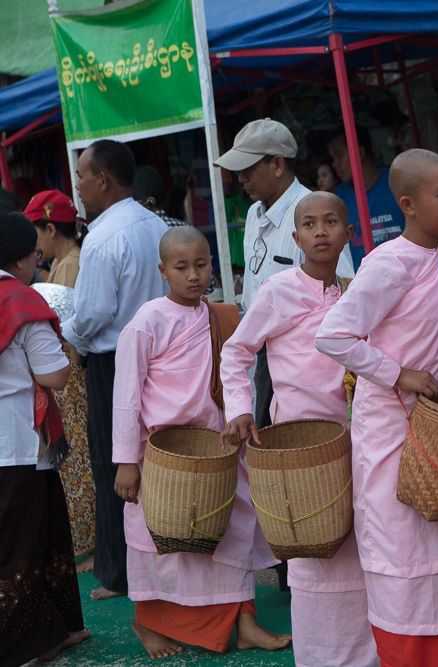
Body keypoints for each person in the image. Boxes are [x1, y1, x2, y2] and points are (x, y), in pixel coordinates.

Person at [315, 149, 438, 667]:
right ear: (406, 204)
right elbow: (333, 334)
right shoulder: (389, 262)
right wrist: (398, 374)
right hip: (393, 429)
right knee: (402, 553)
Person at [112, 226, 289, 659]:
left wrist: (238, 419)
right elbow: (125, 397)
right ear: (162, 271)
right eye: (181, 267)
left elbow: (236, 377)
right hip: (163, 452)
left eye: (202, 264)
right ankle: (148, 622)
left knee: (235, 530)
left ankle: (244, 621)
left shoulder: (220, 316)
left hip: (217, 447)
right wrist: (125, 461)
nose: (194, 275)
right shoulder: (147, 322)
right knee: (160, 541)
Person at [220, 191, 378, 667]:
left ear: (349, 234)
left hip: (355, 437)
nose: (321, 231)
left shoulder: (356, 290)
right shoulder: (277, 290)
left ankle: (371, 655)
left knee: (360, 543)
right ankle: (320, 657)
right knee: (313, 554)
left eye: (332, 222)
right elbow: (236, 351)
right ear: (296, 237)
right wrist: (240, 407)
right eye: (309, 224)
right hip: (299, 444)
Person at [62, 139, 169, 601]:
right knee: (153, 458)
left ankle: (119, 573)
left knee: (116, 462)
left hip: (114, 359)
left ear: (102, 179)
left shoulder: (105, 235)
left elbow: (91, 315)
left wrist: (70, 336)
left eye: (82, 177)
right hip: (162, 353)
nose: (78, 188)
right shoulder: (153, 223)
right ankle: (157, 563)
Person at [215, 119, 354, 433]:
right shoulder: (254, 213)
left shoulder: (316, 218)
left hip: (308, 373)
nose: (241, 178)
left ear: (277, 164)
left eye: (248, 169)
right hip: (260, 352)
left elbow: (343, 295)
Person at [0, 211, 90, 666]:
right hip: (17, 442)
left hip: (16, 445)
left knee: (43, 532)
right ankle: (22, 645)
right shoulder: (19, 300)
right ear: (20, 258)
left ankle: (64, 628)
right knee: (23, 546)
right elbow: (55, 374)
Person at [25, 190, 97, 574]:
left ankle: (90, 543)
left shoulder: (68, 267)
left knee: (78, 461)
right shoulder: (67, 262)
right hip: (70, 375)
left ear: (50, 228)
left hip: (69, 376)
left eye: (35, 233)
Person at [328, 124, 405, 271]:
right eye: (333, 157)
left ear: (359, 152)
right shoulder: (336, 201)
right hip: (359, 285)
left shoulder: (397, 182)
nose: (334, 164)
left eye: (339, 155)